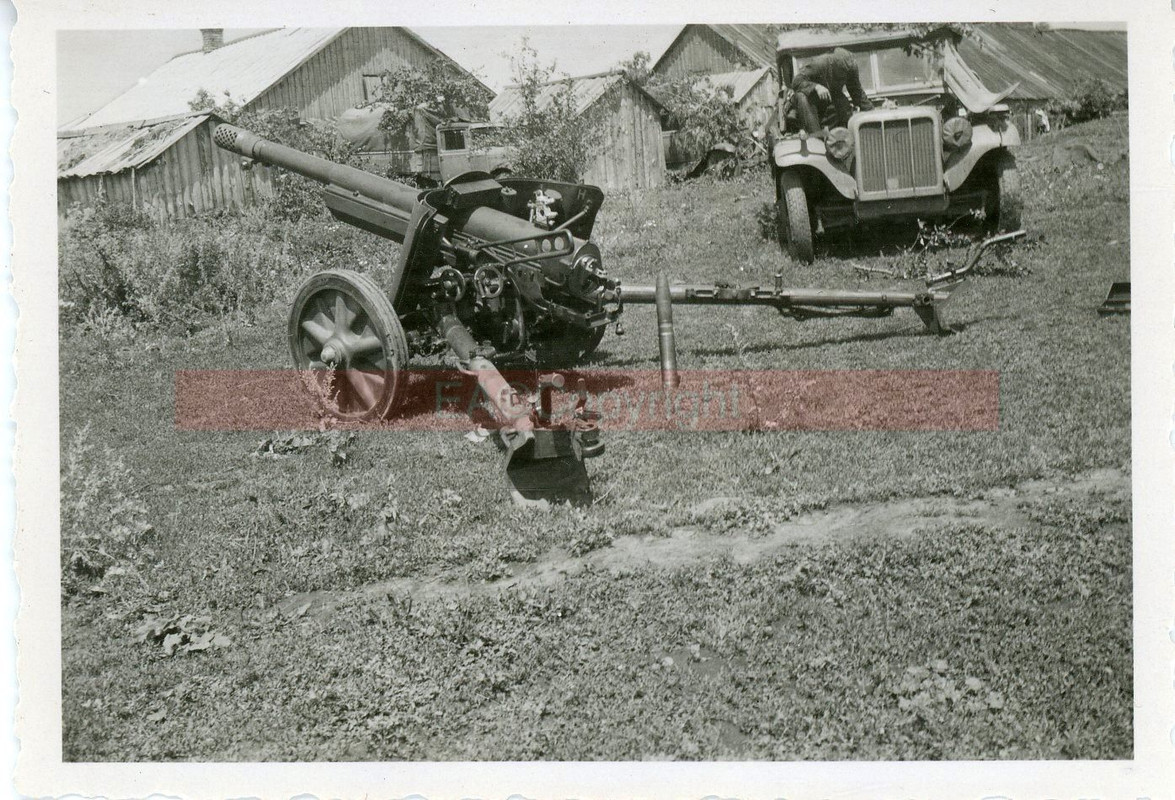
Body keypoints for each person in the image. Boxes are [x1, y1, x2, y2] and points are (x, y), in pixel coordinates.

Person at [791, 47, 874, 133]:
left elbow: (856, 91)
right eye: (842, 70)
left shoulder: (850, 66)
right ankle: (816, 137)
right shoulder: (820, 63)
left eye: (846, 71)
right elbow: (796, 81)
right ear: (833, 64)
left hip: (831, 97)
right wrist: (816, 87)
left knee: (844, 105)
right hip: (810, 99)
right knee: (802, 97)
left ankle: (845, 137)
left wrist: (871, 112)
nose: (844, 74)